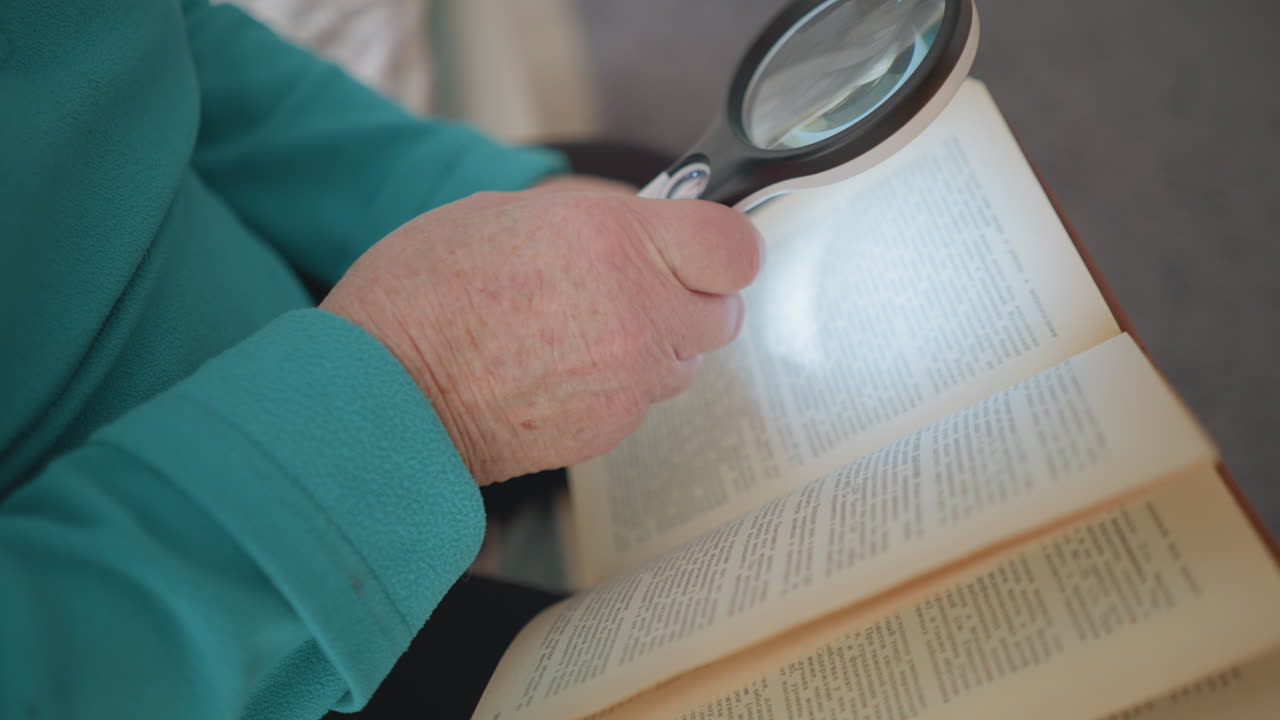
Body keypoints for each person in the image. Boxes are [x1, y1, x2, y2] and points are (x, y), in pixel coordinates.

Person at [0, 1, 763, 719]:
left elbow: (149, 40)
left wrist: (454, 190)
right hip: (181, 612)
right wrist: (427, 391)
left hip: (281, 281)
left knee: (676, 196)